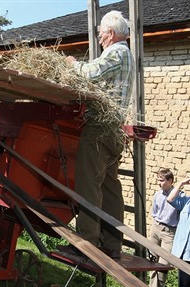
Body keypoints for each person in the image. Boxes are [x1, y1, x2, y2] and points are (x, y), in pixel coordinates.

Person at [65, 10, 134, 259]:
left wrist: (73, 65)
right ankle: (112, 244)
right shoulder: (126, 54)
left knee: (88, 184)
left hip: (99, 129)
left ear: (112, 33)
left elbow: (91, 74)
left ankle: (86, 243)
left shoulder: (117, 52)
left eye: (101, 34)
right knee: (110, 187)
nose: (99, 39)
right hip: (114, 130)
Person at [149, 168, 183, 287]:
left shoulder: (179, 196)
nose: (159, 183)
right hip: (156, 227)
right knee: (152, 260)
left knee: (163, 264)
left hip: (169, 231)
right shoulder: (157, 195)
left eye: (162, 181)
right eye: (158, 180)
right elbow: (154, 211)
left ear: (170, 181)